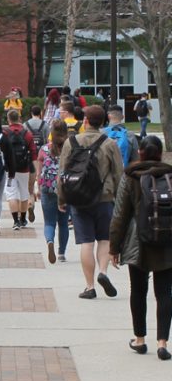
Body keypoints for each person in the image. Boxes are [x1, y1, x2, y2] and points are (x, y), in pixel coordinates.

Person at [109, 135, 172, 360]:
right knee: (165, 292)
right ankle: (163, 342)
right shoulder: (170, 174)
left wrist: (114, 247)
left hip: (139, 241)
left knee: (138, 290)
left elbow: (120, 215)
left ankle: (140, 339)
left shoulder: (132, 176)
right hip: (167, 241)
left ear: (141, 153)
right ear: (161, 153)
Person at [58, 105, 124, 299]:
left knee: (86, 243)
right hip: (105, 198)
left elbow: (62, 174)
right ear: (103, 122)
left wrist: (62, 198)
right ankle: (103, 272)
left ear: (85, 121)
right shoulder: (110, 143)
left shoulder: (72, 142)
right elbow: (119, 174)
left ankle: (89, 286)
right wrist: (120, 199)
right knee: (104, 239)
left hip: (79, 199)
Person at [37, 120, 70, 263]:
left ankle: (50, 241)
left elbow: (39, 172)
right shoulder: (71, 149)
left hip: (47, 188)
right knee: (63, 223)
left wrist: (38, 188)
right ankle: (61, 253)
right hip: (65, 189)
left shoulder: (44, 149)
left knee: (49, 222)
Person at [4, 109, 36, 229]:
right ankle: (23, 219)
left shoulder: (5, 133)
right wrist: (35, 170)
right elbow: (33, 153)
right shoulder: (27, 134)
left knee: (11, 194)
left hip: (9, 170)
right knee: (24, 194)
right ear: (19, 118)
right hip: (24, 168)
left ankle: (15, 221)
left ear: (8, 120)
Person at [24, 105, 50, 223]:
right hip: (41, 156)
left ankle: (30, 204)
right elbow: (48, 140)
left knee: (28, 186)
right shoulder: (44, 125)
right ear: (40, 113)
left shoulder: (25, 125)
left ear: (31, 113)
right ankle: (39, 191)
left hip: (29, 156)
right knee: (40, 177)